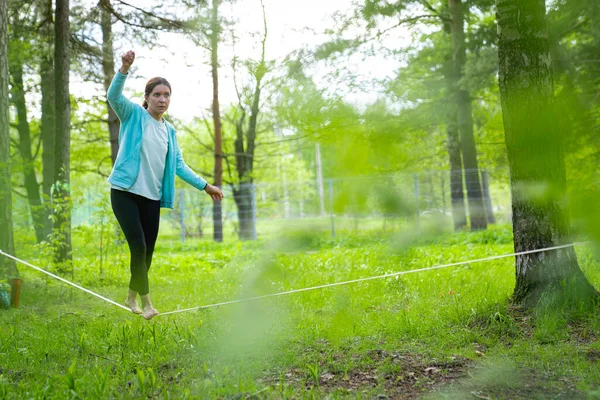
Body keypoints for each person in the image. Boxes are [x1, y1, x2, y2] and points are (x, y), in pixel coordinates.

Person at [107, 50, 223, 320]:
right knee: (138, 246)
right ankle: (147, 304)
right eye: (157, 94)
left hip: (151, 197)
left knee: (147, 251)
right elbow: (113, 97)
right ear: (146, 98)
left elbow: (179, 166)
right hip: (124, 193)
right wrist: (124, 68)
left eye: (166, 95)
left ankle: (131, 297)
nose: (162, 99)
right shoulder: (133, 115)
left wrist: (206, 186)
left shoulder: (169, 132)